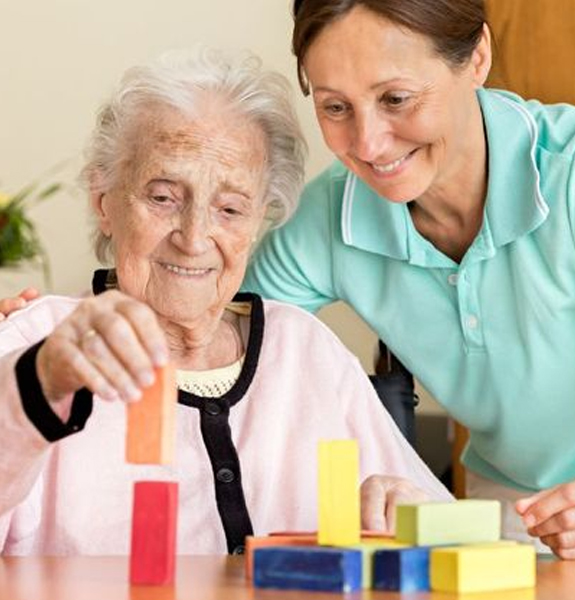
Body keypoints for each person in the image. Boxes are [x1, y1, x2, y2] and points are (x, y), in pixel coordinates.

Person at [1, 1, 575, 586]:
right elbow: (190, 296)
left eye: (396, 99)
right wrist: (47, 331)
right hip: (515, 490)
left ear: (476, 57)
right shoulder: (331, 219)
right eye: (335, 107)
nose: (368, 144)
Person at [0, 48, 450, 557]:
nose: (194, 238)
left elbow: (444, 529)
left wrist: (413, 517)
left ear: (260, 219)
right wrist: (33, 389)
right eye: (163, 197)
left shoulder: (304, 350)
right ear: (104, 202)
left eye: (230, 208)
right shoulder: (37, 343)